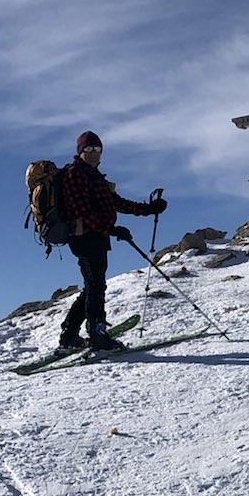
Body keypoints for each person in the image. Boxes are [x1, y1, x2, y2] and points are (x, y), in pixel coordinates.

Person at [57, 130, 167, 351]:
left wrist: (147, 210)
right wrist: (111, 229)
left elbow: (116, 203)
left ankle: (69, 336)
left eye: (98, 149)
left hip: (96, 238)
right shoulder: (75, 174)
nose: (94, 153)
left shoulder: (95, 177)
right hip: (84, 238)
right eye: (88, 149)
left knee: (92, 286)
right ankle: (97, 335)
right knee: (96, 286)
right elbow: (83, 211)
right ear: (80, 152)